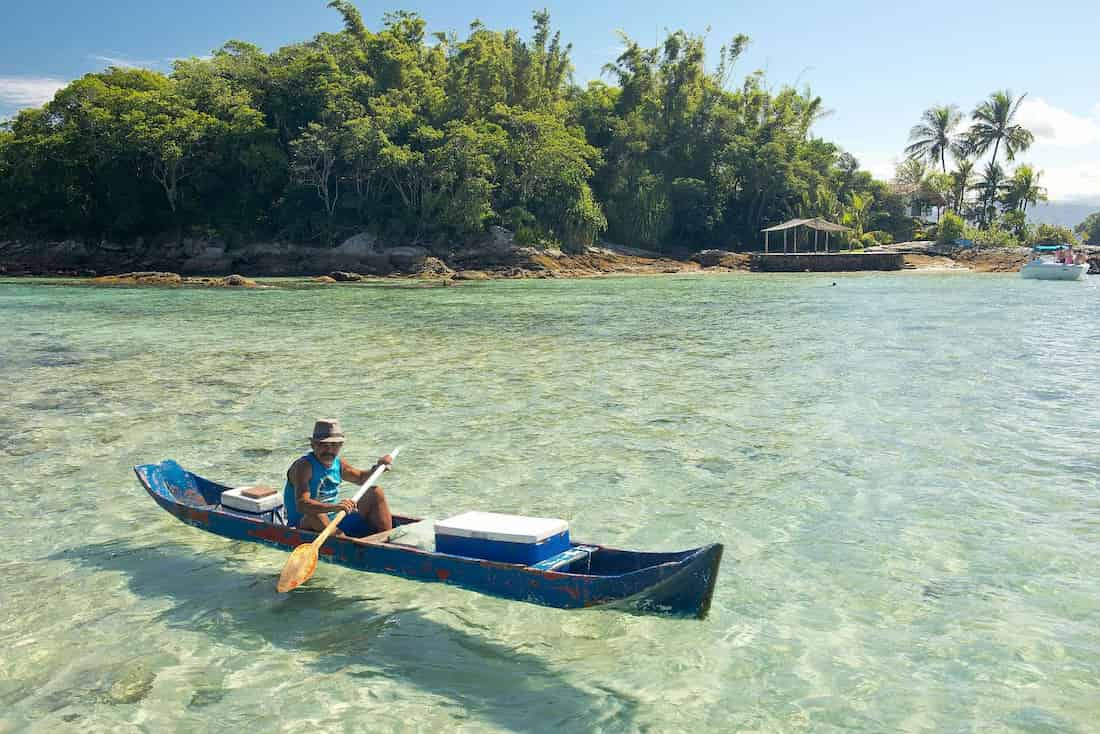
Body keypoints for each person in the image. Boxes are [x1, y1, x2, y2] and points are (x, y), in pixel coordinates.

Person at [283, 419, 393, 537]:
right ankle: (345, 545)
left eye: (334, 445)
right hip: (305, 523)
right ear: (313, 445)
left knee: (376, 492)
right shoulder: (303, 466)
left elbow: (361, 478)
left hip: (335, 519)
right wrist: (335, 507)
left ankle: (387, 541)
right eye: (323, 445)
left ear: (341, 445)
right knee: (316, 513)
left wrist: (377, 468)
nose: (329, 450)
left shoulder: (338, 463)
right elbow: (302, 505)